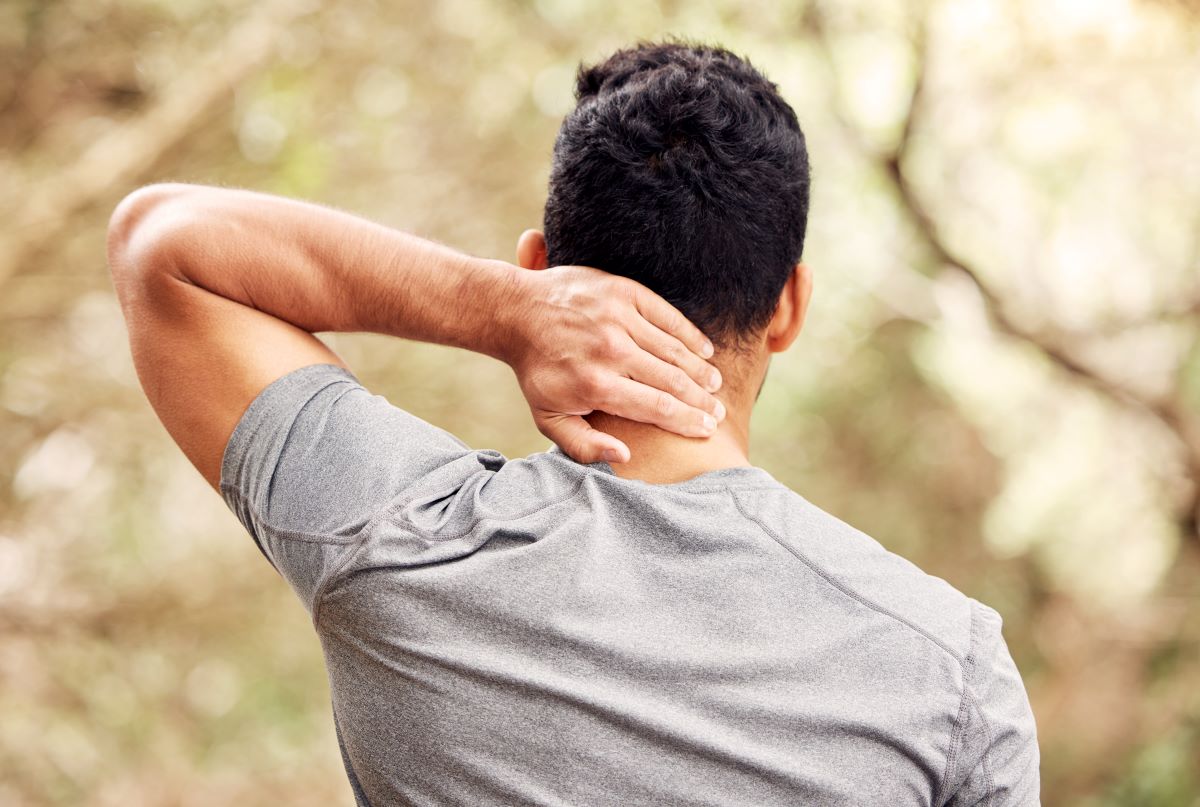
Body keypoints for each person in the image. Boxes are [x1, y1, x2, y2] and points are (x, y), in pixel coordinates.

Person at [107, 41, 1039, 806]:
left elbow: (162, 247)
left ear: (538, 263)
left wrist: (497, 310)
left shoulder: (403, 540)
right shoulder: (948, 672)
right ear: (790, 307)